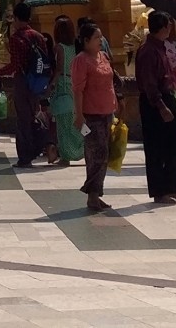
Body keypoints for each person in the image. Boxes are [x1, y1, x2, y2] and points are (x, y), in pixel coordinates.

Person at [134, 11, 176, 204]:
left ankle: (173, 186)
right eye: (169, 26)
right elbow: (149, 83)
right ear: (163, 27)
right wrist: (161, 106)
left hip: (167, 95)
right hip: (154, 102)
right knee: (156, 147)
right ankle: (159, 190)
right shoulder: (148, 51)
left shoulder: (162, 48)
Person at [0, 2, 57, 168]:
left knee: (24, 121)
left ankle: (26, 156)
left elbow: (15, 65)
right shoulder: (38, 36)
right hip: (38, 82)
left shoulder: (16, 38)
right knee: (34, 116)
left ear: (16, 18)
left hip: (23, 82)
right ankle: (48, 144)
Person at [71, 19, 117, 215]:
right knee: (97, 154)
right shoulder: (81, 60)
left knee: (105, 153)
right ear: (86, 40)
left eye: (101, 37)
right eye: (97, 37)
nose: (101, 40)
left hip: (107, 111)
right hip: (91, 114)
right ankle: (92, 193)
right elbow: (78, 90)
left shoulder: (104, 56)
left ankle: (96, 192)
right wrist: (79, 115)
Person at [48, 16, 84, 163]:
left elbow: (58, 69)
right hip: (74, 85)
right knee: (74, 122)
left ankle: (66, 155)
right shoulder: (76, 47)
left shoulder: (59, 48)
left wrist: (50, 85)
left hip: (62, 86)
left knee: (63, 125)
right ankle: (80, 148)